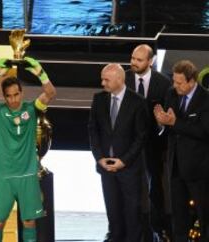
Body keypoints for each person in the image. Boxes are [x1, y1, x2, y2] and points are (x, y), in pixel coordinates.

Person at [0, 57, 56, 242]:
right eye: (9, 96)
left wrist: (39, 71)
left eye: (16, 94)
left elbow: (50, 92)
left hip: (27, 175)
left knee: (29, 222)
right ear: (4, 97)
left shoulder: (32, 110)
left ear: (21, 93)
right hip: (4, 176)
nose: (13, 99)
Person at [88, 63, 148, 242]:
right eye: (102, 79)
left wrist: (124, 161)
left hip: (129, 169)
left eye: (106, 79)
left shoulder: (138, 102)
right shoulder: (99, 99)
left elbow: (141, 137)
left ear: (120, 80)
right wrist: (99, 158)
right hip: (106, 168)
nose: (102, 83)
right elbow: (93, 130)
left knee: (132, 212)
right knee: (113, 211)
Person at [154, 60, 209, 242]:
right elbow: (170, 128)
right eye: (174, 81)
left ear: (192, 81)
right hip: (175, 167)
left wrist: (174, 123)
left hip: (199, 171)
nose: (175, 86)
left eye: (179, 83)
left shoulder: (205, 99)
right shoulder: (171, 94)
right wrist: (162, 123)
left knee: (205, 217)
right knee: (178, 217)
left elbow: (203, 131)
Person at [126, 44, 172, 241]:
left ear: (150, 62)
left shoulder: (164, 83)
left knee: (154, 188)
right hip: (127, 145)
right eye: (133, 58)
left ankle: (157, 229)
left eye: (139, 60)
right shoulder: (123, 78)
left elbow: (168, 117)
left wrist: (161, 125)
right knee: (127, 186)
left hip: (153, 145)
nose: (133, 63)